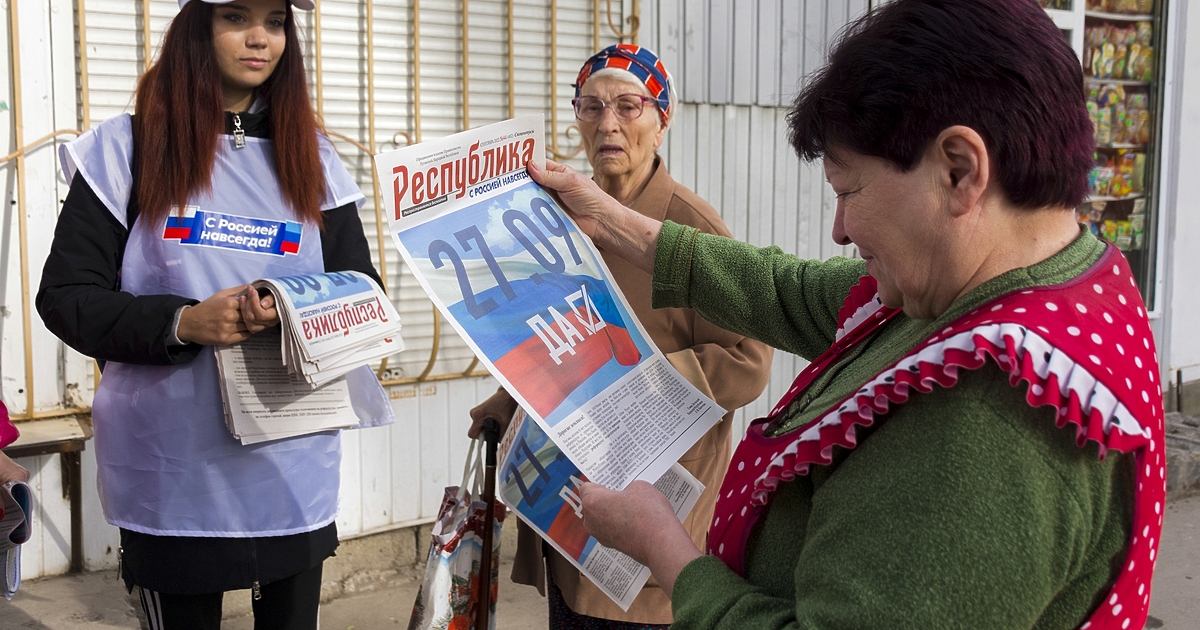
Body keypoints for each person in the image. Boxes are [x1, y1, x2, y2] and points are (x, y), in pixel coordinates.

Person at [527, 1, 1165, 628]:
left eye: (848, 190)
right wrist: (609, 218)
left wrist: (666, 549)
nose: (839, 230)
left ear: (959, 169)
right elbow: (787, 290)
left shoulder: (991, 427)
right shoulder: (1003, 284)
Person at [36, 0, 392, 628]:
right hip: (173, 469)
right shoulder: (126, 149)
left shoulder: (312, 156)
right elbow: (66, 296)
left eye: (276, 22)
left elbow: (362, 288)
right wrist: (182, 323)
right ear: (196, 27)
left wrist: (288, 311)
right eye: (235, 17)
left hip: (290, 461)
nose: (260, 38)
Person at [468, 44, 773, 628]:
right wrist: (507, 402)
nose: (608, 124)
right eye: (591, 106)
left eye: (629, 106)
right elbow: (552, 339)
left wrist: (634, 381)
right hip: (564, 500)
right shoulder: (554, 217)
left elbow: (749, 360)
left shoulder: (691, 227)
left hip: (653, 508)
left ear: (663, 120)